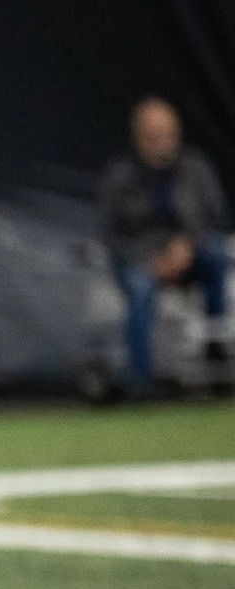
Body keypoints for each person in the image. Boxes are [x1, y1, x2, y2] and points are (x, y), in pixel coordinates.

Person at [99, 96, 230, 396]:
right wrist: (150, 260)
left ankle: (216, 350)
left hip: (190, 255)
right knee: (141, 286)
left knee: (217, 256)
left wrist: (187, 246)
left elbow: (217, 218)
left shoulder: (195, 169)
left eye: (168, 133)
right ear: (138, 138)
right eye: (154, 135)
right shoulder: (120, 177)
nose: (162, 141)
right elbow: (110, 234)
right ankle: (141, 381)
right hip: (139, 262)